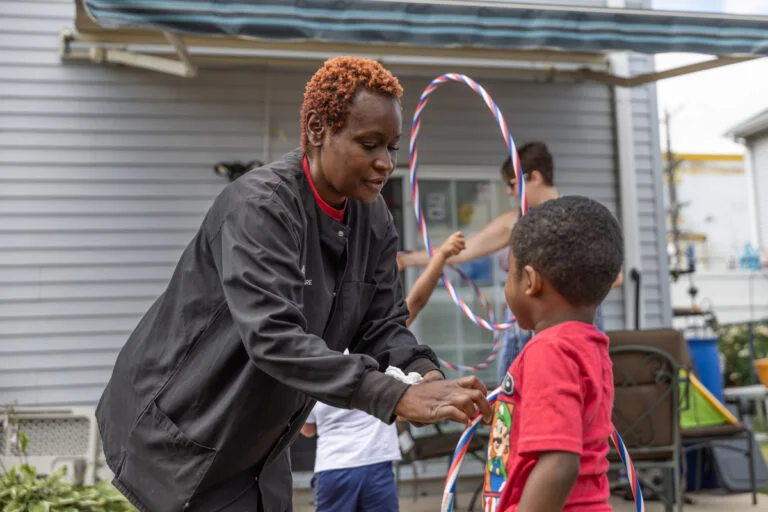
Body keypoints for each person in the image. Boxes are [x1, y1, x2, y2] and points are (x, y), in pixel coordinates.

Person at [94, 57, 492, 512]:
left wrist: (428, 377)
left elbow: (382, 324)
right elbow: (273, 337)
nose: (385, 163)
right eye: (369, 144)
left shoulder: (373, 218)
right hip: (185, 434)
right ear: (319, 129)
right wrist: (396, 395)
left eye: (393, 147)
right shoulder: (259, 206)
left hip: (260, 441)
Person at [397, 142, 623, 382]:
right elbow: (463, 251)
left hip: (573, 336)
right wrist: (407, 260)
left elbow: (614, 276)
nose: (509, 192)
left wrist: (559, 301)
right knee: (515, 403)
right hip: (521, 334)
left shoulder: (579, 219)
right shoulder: (514, 222)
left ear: (534, 177)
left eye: (512, 183)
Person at [299, 232, 465, 512]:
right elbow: (417, 301)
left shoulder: (314, 357)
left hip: (334, 466)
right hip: (376, 463)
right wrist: (441, 257)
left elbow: (306, 429)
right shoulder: (379, 345)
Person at [482, 195, 623, 512]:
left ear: (530, 281)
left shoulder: (549, 350)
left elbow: (560, 463)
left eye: (510, 274)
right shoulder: (588, 344)